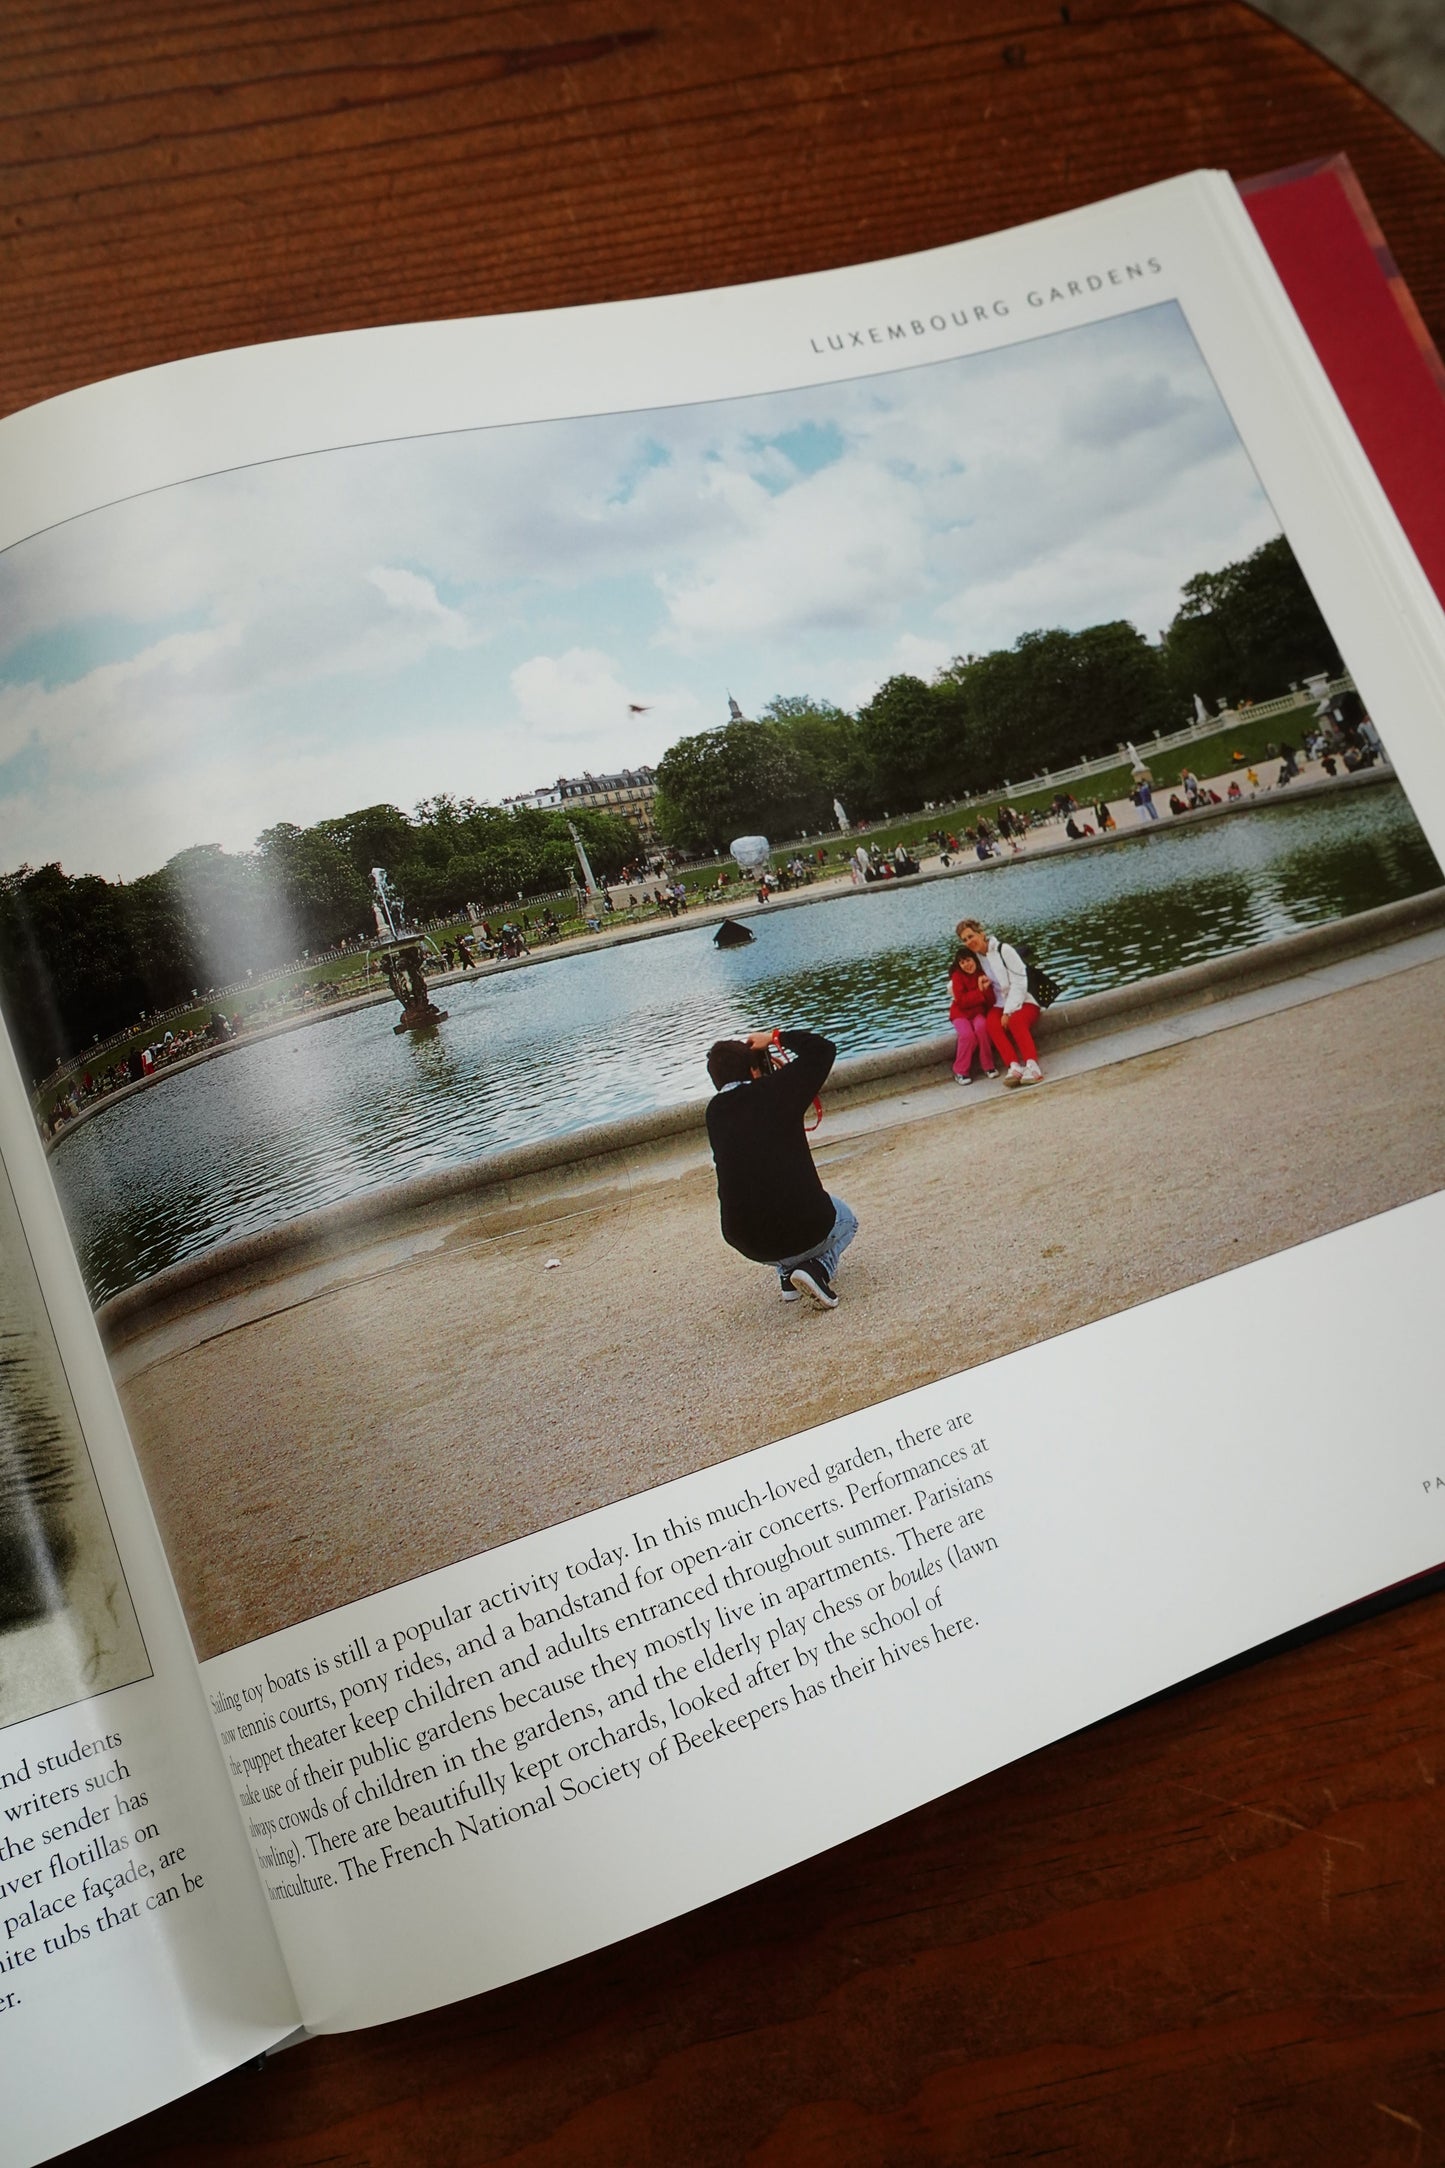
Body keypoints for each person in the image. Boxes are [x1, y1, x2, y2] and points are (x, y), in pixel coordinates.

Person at [705, 1028, 856, 1309]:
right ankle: (818, 1269)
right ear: (754, 1069)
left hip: (747, 1241)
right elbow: (823, 1049)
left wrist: (768, 1077)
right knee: (847, 1219)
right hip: (806, 1226)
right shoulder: (779, 1090)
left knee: (764, 1194)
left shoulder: (714, 1113)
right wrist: (776, 1037)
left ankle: (787, 1276)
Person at [956, 917, 1042, 1086]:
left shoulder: (1004, 950)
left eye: (971, 936)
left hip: (1024, 999)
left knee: (1015, 1021)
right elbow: (957, 972)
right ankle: (1014, 1066)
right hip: (1000, 1003)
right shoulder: (976, 958)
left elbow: (1020, 982)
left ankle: (1033, 1066)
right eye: (964, 940)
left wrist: (1008, 1011)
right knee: (991, 1024)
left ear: (981, 933)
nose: (969, 942)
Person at [948, 947, 998, 1085]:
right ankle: (960, 1070)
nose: (966, 965)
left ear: (975, 959)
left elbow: (991, 1002)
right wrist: (980, 992)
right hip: (960, 1014)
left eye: (968, 960)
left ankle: (988, 1065)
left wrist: (986, 989)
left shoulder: (982, 974)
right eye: (962, 962)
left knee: (982, 1028)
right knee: (967, 1035)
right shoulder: (957, 976)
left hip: (978, 1012)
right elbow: (961, 1001)